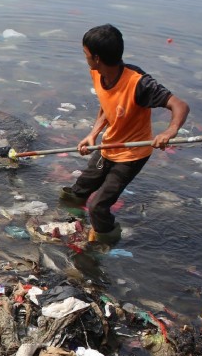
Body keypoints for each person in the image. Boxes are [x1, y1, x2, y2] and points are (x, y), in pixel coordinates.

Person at [60, 24, 189, 243]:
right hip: (107, 147)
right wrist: (94, 133)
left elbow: (180, 105)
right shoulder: (97, 72)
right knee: (77, 192)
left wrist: (170, 131)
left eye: (86, 54)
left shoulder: (138, 83)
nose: (85, 59)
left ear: (97, 58)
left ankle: (105, 242)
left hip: (131, 155)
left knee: (98, 206)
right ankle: (73, 226)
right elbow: (107, 104)